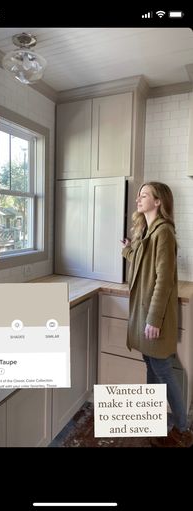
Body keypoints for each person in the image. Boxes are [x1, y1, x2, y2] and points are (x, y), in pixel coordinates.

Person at [121, 181, 193, 448]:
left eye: (144, 195)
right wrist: (128, 247)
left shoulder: (164, 233)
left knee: (162, 368)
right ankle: (153, 418)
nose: (138, 199)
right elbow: (142, 263)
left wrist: (154, 319)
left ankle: (183, 429)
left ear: (159, 201)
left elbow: (163, 280)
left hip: (150, 315)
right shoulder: (149, 232)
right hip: (142, 312)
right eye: (139, 195)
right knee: (151, 365)